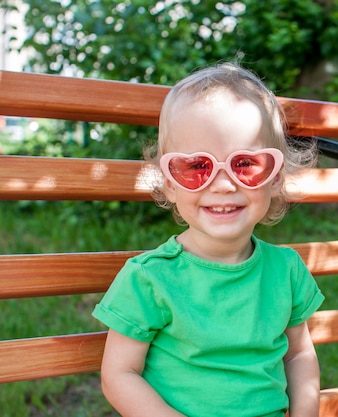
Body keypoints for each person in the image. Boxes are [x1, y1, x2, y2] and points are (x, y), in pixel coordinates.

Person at [92, 63, 324, 417]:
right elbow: (119, 374)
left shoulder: (286, 270)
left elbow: (298, 354)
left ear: (276, 178)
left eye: (245, 164)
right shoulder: (150, 277)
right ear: (169, 183)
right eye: (196, 167)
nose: (222, 184)